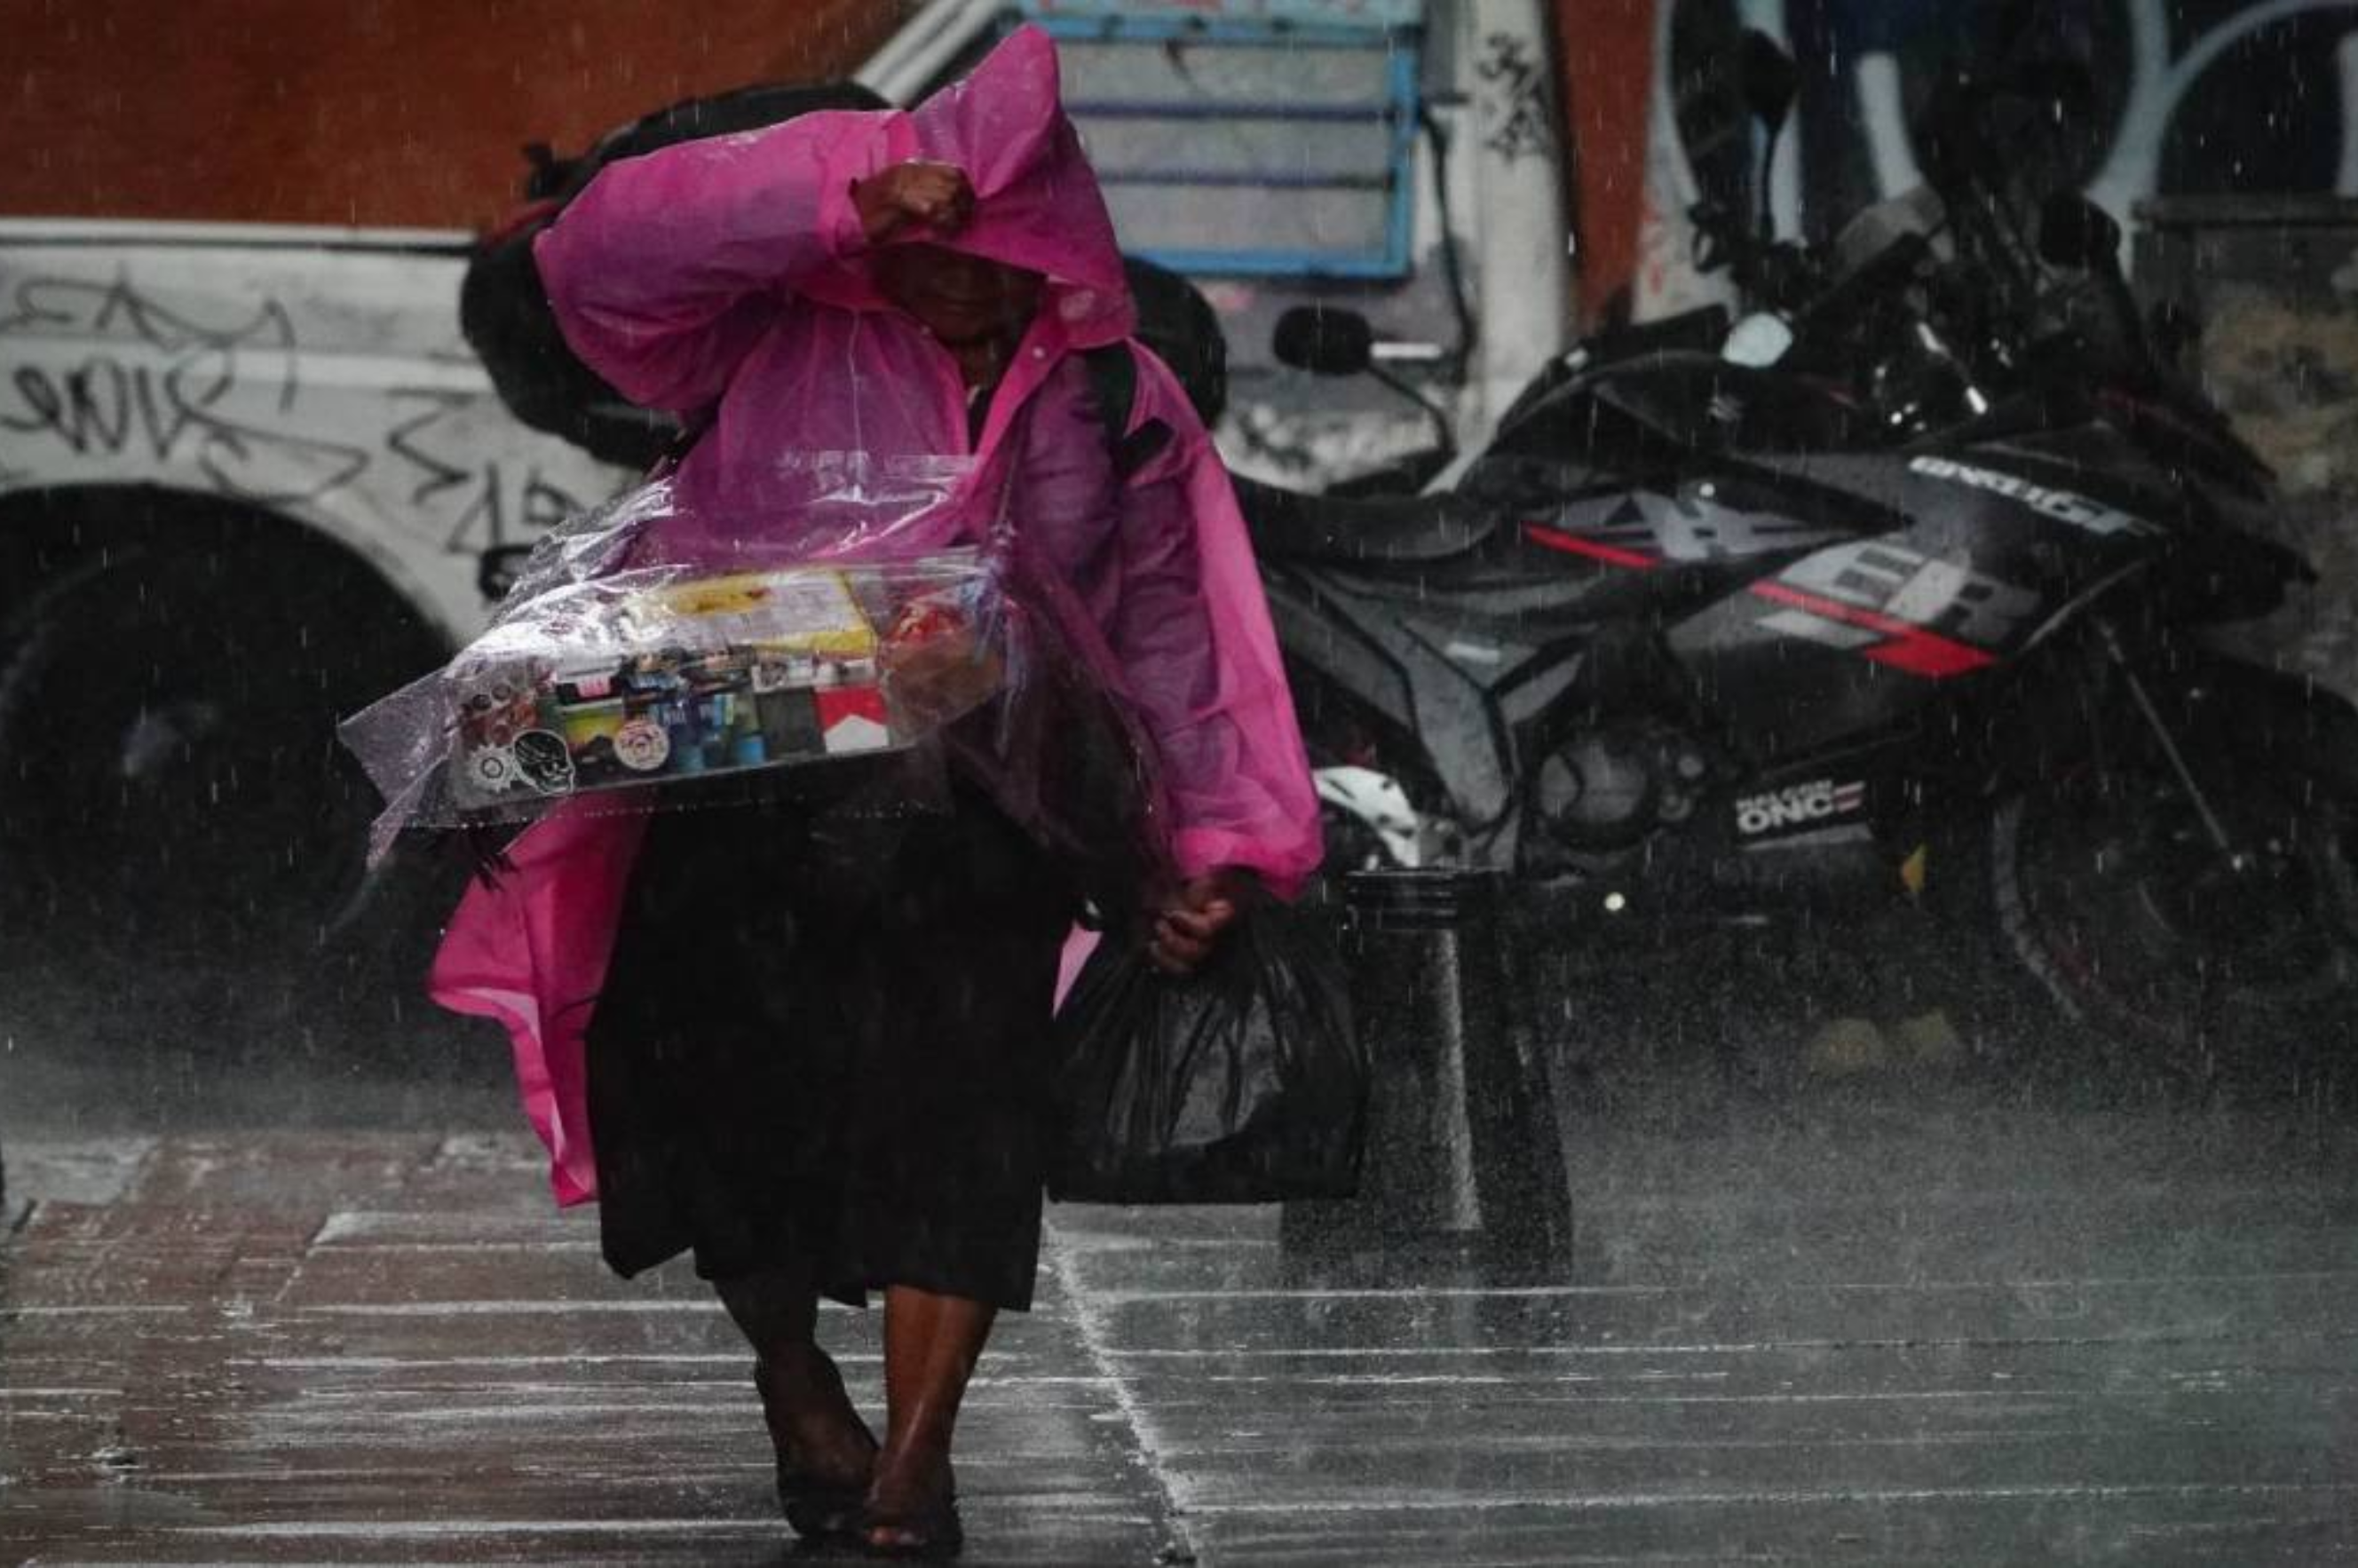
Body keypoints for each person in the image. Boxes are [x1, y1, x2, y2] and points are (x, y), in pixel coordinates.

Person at [428, 26, 1320, 1561]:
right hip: (741, 790)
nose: (956, 278)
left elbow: (1179, 630)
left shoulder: (1117, 397)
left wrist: (1216, 840)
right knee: (718, 1114)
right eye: (935, 245)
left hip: (984, 820)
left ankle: (915, 1467)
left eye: (993, 251)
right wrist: (843, 189)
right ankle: (792, 1378)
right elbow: (599, 258)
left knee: (958, 1121)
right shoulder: (775, 327)